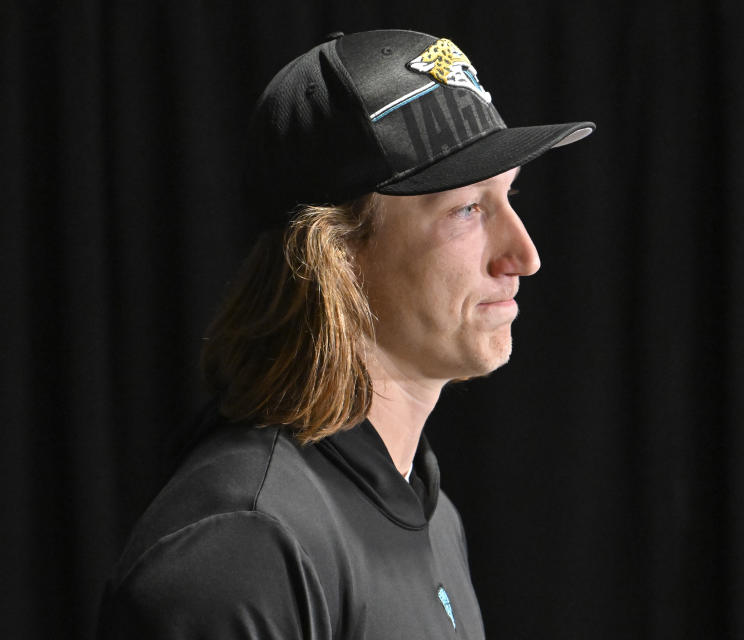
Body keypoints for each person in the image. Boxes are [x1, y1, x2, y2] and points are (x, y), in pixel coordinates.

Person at [97, 29, 593, 639]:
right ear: (338, 256)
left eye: (508, 195)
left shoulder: (430, 515)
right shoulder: (246, 547)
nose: (523, 255)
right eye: (468, 208)